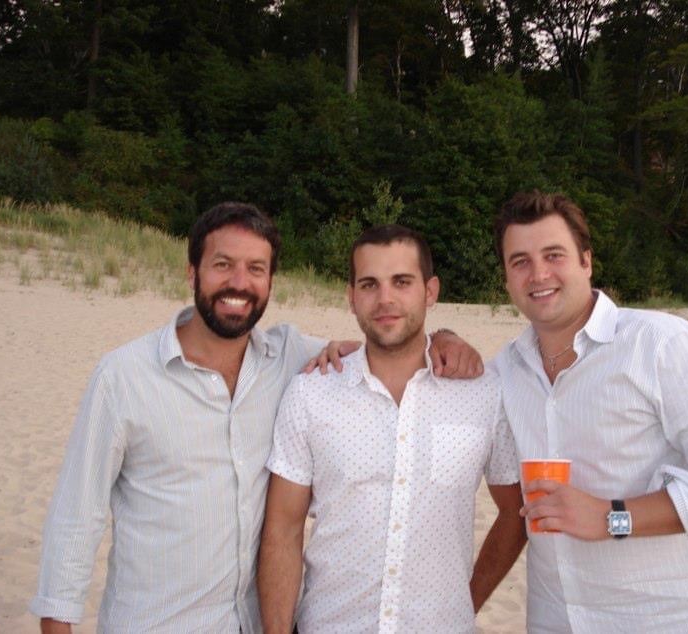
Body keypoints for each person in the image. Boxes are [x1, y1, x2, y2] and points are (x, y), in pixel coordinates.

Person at [29, 203, 480, 633]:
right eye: (222, 265)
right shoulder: (124, 377)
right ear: (192, 272)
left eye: (256, 269)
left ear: (270, 282)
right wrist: (57, 621)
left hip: (252, 621)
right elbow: (76, 513)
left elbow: (387, 338)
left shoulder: (288, 357)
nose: (239, 283)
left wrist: (445, 337)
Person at [492, 190, 688, 633]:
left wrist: (612, 517)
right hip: (556, 622)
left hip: (668, 621)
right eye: (520, 261)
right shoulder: (504, 371)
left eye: (554, 255)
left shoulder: (663, 345)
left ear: (586, 261)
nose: (538, 274)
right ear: (507, 279)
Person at [257, 225, 527, 633]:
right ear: (351, 298)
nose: (385, 299)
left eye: (402, 282)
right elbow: (283, 529)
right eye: (369, 284)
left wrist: (464, 603)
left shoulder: (484, 393)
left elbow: (514, 512)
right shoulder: (311, 392)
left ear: (430, 291)